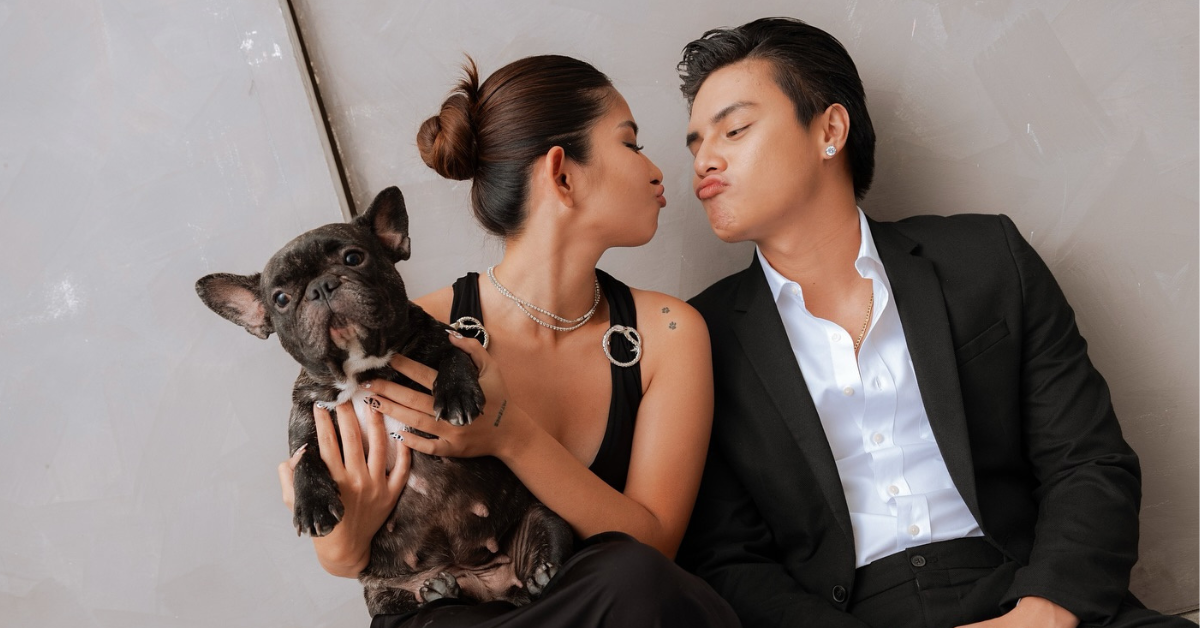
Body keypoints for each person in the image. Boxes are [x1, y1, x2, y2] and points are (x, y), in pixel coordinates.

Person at [672, 16, 1192, 628]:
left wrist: (1042, 613)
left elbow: (1089, 462)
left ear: (829, 131)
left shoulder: (986, 259)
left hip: (1025, 586)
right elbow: (728, 561)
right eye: (695, 144)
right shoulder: (701, 336)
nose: (704, 161)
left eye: (734, 129)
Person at [280, 54, 740, 628]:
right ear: (562, 174)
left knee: (635, 578)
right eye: (632, 143)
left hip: (601, 607)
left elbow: (653, 551)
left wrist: (510, 436)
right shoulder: (407, 329)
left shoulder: (668, 332)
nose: (658, 169)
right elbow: (341, 553)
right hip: (443, 616)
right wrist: (343, 535)